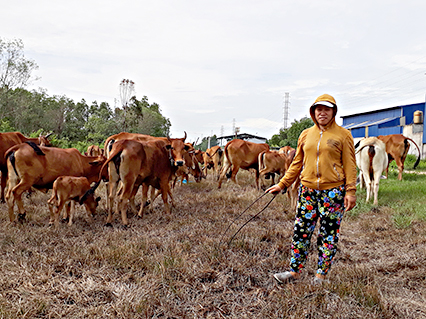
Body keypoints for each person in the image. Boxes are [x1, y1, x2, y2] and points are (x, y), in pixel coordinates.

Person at [266, 94, 357, 285]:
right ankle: (294, 272)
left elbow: (350, 164)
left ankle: (321, 276)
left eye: (327, 109)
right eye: (319, 109)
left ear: (333, 112)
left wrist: (350, 191)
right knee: (301, 231)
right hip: (307, 191)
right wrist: (282, 184)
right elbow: (296, 163)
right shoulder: (306, 134)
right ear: (313, 112)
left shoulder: (343, 135)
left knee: (328, 234)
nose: (322, 113)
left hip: (332, 192)